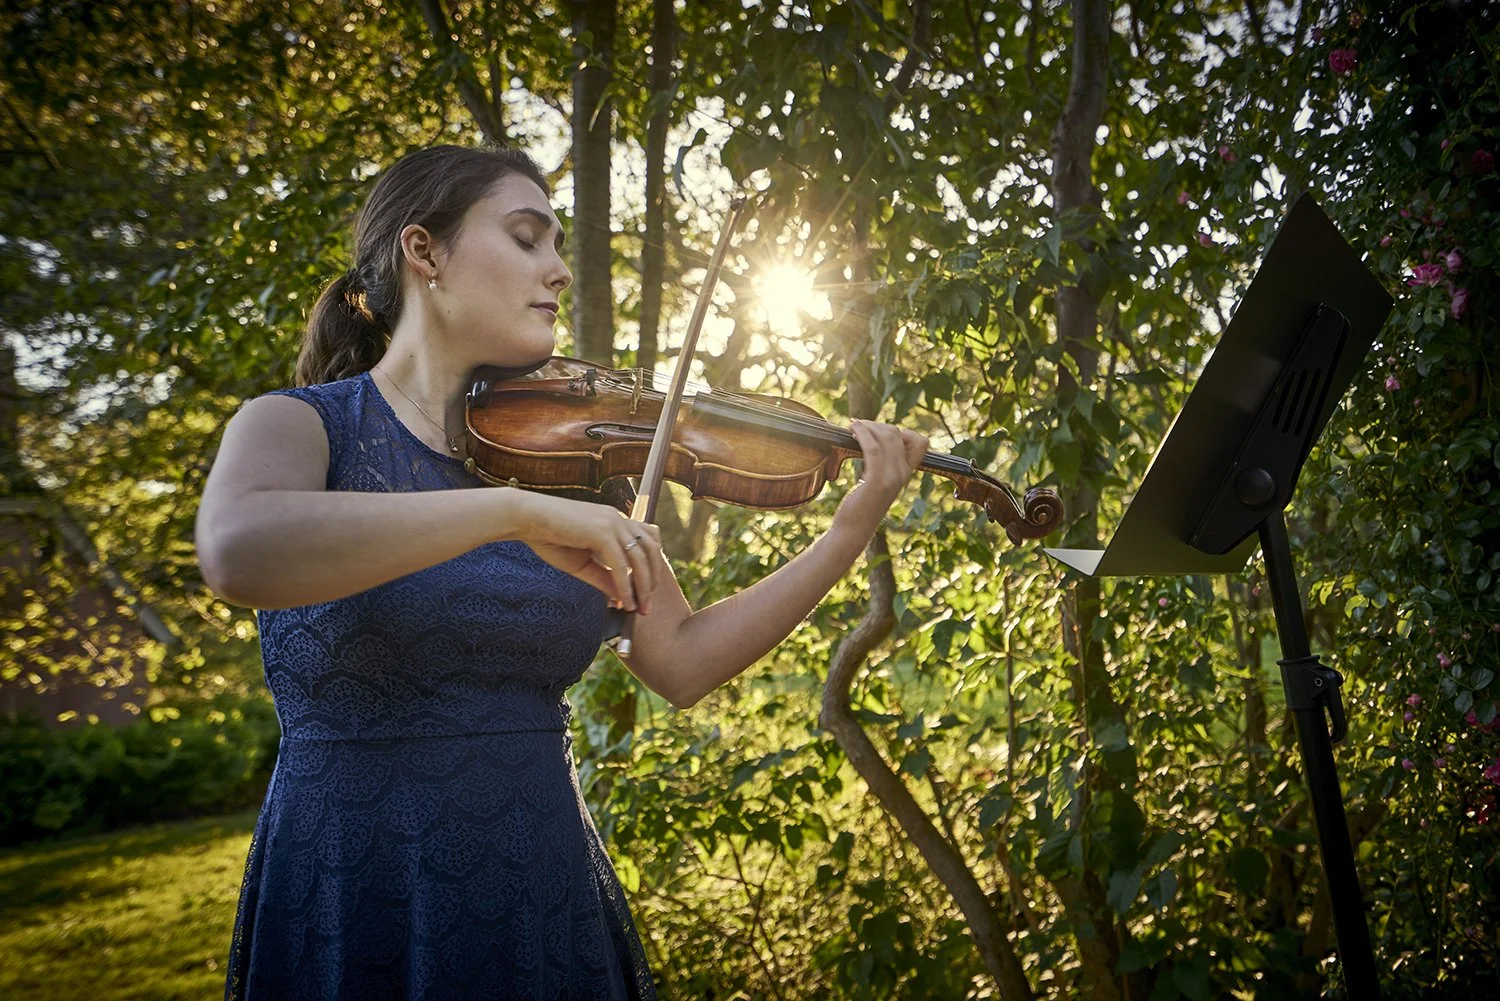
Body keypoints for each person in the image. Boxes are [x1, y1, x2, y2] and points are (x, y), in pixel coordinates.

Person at [196, 143, 928, 1000]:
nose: (556, 270)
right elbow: (237, 550)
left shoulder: (573, 466)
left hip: (538, 886)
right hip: (355, 880)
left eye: (556, 244)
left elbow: (682, 660)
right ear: (424, 251)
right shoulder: (299, 426)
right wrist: (511, 513)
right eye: (525, 238)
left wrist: (847, 531)